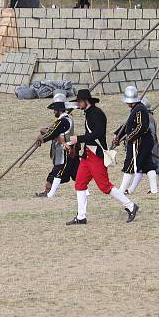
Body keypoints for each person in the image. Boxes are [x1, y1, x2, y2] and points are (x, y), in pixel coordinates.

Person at [66, 89, 138, 225]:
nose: (78, 104)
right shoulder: (89, 113)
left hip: (96, 155)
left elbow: (97, 134)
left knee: (105, 186)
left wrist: (78, 139)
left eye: (79, 102)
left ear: (85, 101)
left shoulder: (97, 114)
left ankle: (131, 206)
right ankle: (81, 216)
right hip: (88, 155)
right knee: (80, 183)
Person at [114, 86, 159, 197]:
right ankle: (154, 190)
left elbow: (141, 127)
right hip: (141, 141)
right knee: (147, 164)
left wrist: (130, 137)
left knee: (130, 164)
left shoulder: (140, 109)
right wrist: (118, 135)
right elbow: (128, 125)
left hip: (140, 142)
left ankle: (121, 191)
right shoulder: (135, 109)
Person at [124, 97, 159, 195]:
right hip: (148, 144)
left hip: (148, 144)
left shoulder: (147, 118)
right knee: (142, 166)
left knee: (154, 166)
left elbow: (147, 133)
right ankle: (131, 189)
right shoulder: (148, 116)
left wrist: (144, 145)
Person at [34, 99, 78, 198]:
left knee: (56, 171)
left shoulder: (63, 121)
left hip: (63, 150)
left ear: (59, 110)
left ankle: (47, 192)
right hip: (70, 148)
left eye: (55, 110)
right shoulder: (68, 118)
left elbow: (53, 133)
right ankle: (85, 191)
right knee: (76, 172)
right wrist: (46, 131)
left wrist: (42, 138)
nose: (54, 112)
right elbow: (54, 131)